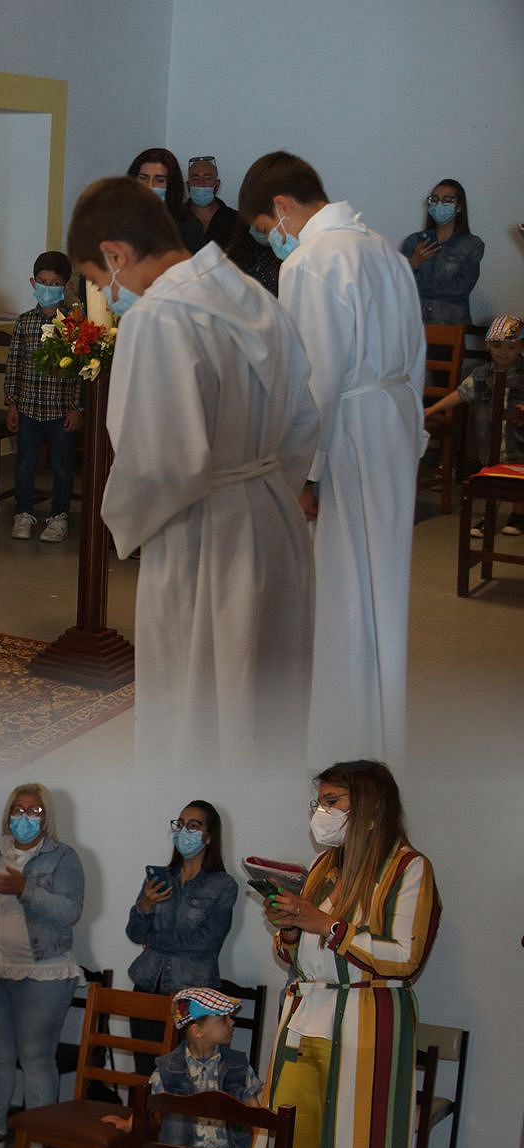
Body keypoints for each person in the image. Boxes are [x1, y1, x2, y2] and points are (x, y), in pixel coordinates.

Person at [66, 175, 318, 768]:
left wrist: (122, 522)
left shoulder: (160, 316)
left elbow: (159, 462)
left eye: (100, 280)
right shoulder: (252, 292)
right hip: (274, 518)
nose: (109, 294)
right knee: (265, 706)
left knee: (197, 710)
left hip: (204, 535)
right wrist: (268, 488)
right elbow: (305, 418)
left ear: (116, 255)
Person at [239, 151, 426, 771]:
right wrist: (414, 434)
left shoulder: (313, 260)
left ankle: (341, 738)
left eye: (265, 228)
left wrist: (304, 472)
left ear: (282, 207)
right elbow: (416, 353)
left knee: (342, 586)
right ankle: (380, 729)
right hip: (392, 420)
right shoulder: (382, 248)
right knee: (383, 583)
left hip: (346, 429)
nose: (273, 240)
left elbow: (313, 377)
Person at [258, 760, 440, 1148]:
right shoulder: (323, 866)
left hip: (366, 1025)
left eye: (333, 801)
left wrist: (325, 924)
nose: (322, 812)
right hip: (306, 1021)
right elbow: (299, 955)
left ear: (369, 808)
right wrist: (290, 930)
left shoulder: (409, 868)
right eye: (321, 801)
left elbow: (404, 956)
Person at [0, 783, 84, 1148]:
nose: (25, 817)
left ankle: (38, 1139)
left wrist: (24, 888)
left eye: (34, 811)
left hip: (41, 970)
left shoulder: (63, 857)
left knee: (36, 1057)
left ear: (47, 817)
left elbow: (70, 912)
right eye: (18, 809)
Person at [102, 988, 262, 1148]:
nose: (232, 1022)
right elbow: (150, 1100)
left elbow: (252, 1102)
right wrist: (130, 1123)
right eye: (223, 1019)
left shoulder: (237, 1065)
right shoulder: (170, 1068)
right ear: (198, 1031)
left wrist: (263, 1129)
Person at [124, 801, 239, 1078]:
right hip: (148, 986)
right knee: (146, 1075)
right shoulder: (159, 878)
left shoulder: (223, 885)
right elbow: (134, 932)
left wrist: (153, 938)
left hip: (192, 996)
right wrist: (145, 906)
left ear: (208, 837)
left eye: (194, 826)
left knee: (183, 1078)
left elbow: (205, 941)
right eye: (180, 824)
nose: (184, 831)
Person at [3, 249, 84, 544]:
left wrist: (77, 407)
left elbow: (81, 370)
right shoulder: (24, 322)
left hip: (61, 408)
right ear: (33, 283)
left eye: (54, 284)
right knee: (26, 463)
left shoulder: (74, 324)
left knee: (62, 466)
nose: (48, 288)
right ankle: (24, 513)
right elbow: (14, 364)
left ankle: (59, 516)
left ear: (65, 286)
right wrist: (11, 402)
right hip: (28, 406)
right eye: (43, 282)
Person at [424, 313, 524, 537]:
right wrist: (432, 409)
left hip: (518, 440)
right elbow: (461, 394)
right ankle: (488, 516)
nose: (503, 352)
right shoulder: (481, 374)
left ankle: (518, 516)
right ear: (488, 346)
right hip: (488, 438)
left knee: (517, 480)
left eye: (511, 347)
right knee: (492, 479)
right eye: (497, 346)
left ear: (521, 347)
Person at [400, 178, 484, 325]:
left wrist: (418, 284)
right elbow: (399, 285)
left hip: (451, 324)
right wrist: (413, 263)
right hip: (415, 324)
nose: (439, 205)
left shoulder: (472, 245)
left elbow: (460, 290)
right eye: (434, 200)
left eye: (446, 200)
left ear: (459, 207)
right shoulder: (414, 241)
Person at [126, 147, 197, 249]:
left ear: (172, 185)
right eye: (143, 178)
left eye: (159, 180)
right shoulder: (118, 221)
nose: (150, 186)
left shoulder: (188, 227)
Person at [182, 155, 239, 254]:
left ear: (217, 184)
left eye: (207, 178)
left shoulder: (236, 221)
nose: (201, 183)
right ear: (188, 185)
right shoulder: (174, 220)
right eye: (195, 178)